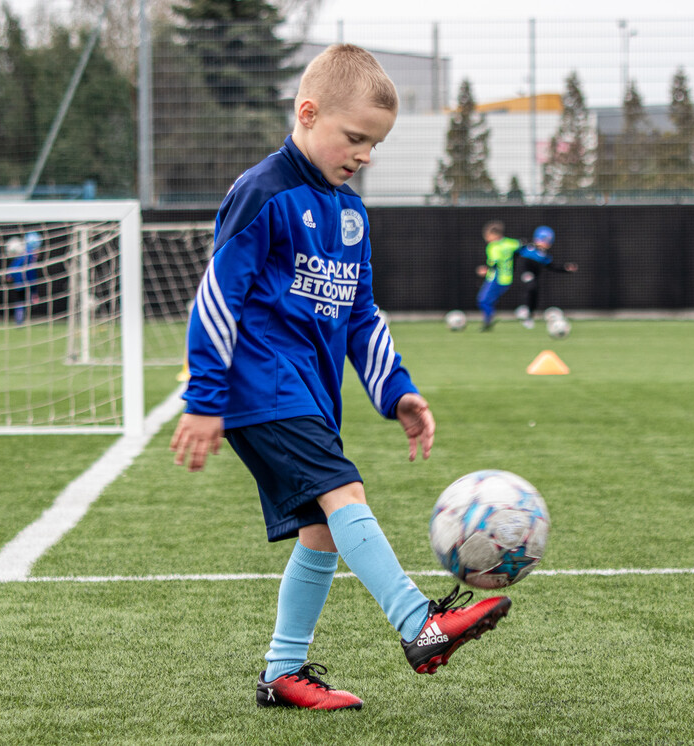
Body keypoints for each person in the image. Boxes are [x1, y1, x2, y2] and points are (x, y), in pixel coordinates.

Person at [170, 44, 512, 712]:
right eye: (354, 137)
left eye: (374, 144)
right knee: (342, 490)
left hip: (308, 395)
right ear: (307, 113)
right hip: (262, 387)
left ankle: (282, 673)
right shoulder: (263, 192)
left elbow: (360, 314)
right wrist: (205, 399)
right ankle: (420, 624)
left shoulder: (351, 214)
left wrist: (397, 391)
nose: (363, 154)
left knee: (322, 531)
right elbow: (217, 298)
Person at [475, 222, 577, 330]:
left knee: (534, 290)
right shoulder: (525, 248)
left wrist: (566, 268)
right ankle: (517, 311)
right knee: (529, 285)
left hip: (504, 278)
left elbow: (551, 265)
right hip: (516, 274)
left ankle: (527, 313)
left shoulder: (542, 254)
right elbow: (514, 251)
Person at [6, 231, 41, 325]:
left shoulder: (27, 255)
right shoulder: (27, 255)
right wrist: (10, 274)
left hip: (25, 282)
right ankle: (19, 320)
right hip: (22, 282)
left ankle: (20, 319)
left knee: (23, 300)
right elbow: (17, 265)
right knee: (21, 300)